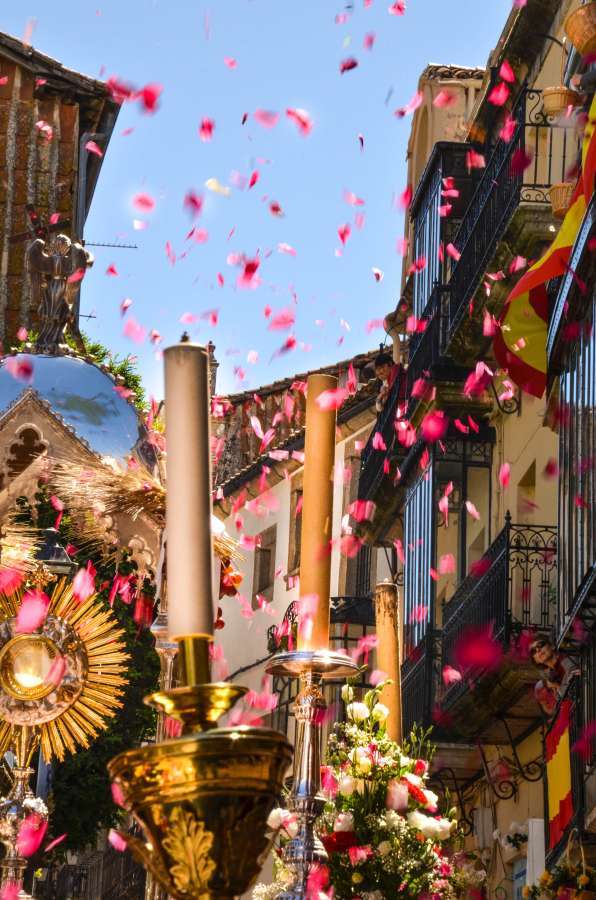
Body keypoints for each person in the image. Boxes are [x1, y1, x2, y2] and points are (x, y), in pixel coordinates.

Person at [529, 637, 578, 717]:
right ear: (536, 661)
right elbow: (561, 704)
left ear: (551, 646)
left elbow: (573, 679)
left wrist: (558, 688)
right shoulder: (552, 676)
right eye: (533, 651)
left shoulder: (567, 658)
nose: (538, 650)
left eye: (540, 645)